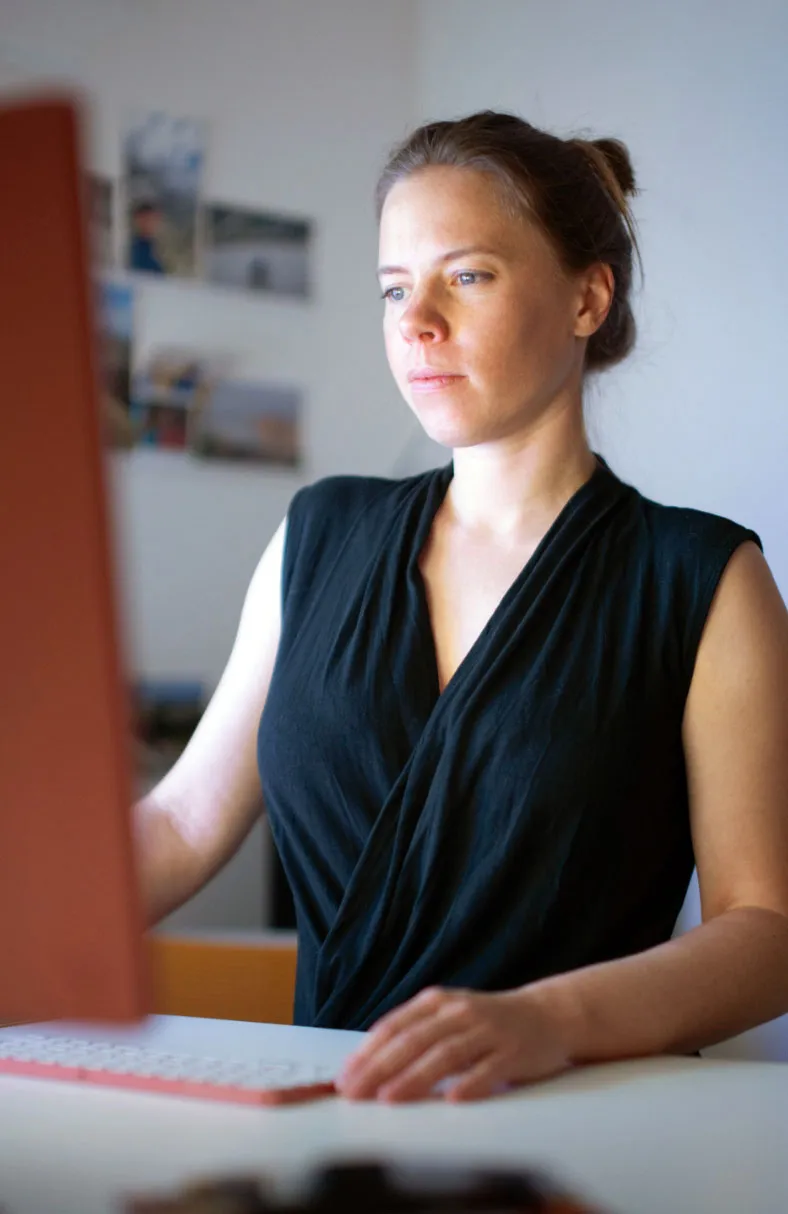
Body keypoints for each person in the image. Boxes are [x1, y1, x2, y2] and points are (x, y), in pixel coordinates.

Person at [135, 111, 788, 1103]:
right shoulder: (317, 534)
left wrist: (547, 1020)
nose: (415, 320)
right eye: (394, 287)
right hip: (327, 1126)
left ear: (585, 297)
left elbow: (764, 930)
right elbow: (183, 820)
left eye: (466, 275)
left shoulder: (701, 576)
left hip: (581, 1124)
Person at [129, 200, 166, 274]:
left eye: (154, 219)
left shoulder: (153, 247)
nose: (151, 223)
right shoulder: (132, 249)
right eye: (147, 219)